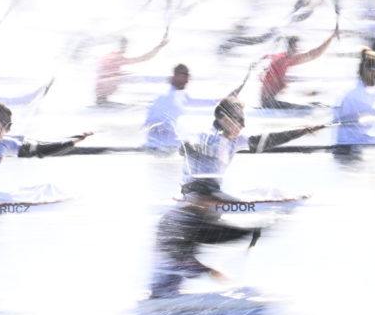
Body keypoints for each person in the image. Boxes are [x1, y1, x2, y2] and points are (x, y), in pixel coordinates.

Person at [179, 97, 325, 195]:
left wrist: (302, 131)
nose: (243, 125)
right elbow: (184, 147)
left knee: (270, 192)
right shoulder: (205, 135)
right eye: (239, 119)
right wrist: (204, 149)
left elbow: (268, 140)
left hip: (214, 194)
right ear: (223, 119)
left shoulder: (235, 141)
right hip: (195, 195)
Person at [0, 101, 92, 199]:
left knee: (44, 189)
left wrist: (70, 142)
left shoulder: (3, 143)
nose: (8, 130)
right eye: (7, 125)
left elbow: (39, 150)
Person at [149, 179, 265, 299]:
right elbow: (211, 236)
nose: (216, 205)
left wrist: (248, 231)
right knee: (166, 286)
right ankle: (161, 297)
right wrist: (208, 271)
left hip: (172, 277)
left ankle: (164, 296)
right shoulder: (183, 219)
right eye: (212, 201)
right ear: (199, 200)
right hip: (165, 282)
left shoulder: (189, 216)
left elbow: (215, 233)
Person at [142, 64, 221, 152]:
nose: (188, 80)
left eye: (188, 76)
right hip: (161, 144)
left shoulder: (178, 94)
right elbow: (156, 124)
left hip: (159, 142)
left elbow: (196, 102)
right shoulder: (168, 97)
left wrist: (221, 100)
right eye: (185, 76)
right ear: (176, 76)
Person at [260, 30, 337, 110]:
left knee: (312, 106)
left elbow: (313, 54)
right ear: (292, 47)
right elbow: (280, 82)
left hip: (270, 101)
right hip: (268, 103)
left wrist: (331, 38)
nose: (299, 49)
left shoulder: (287, 58)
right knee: (307, 108)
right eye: (297, 47)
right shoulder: (282, 61)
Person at [96, 32, 169, 106]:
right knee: (121, 78)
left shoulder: (113, 57)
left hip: (102, 90)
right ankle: (101, 98)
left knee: (120, 78)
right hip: (102, 89)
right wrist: (160, 46)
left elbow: (144, 58)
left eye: (125, 45)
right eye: (123, 45)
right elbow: (144, 58)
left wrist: (160, 46)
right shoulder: (114, 58)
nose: (125, 48)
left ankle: (102, 98)